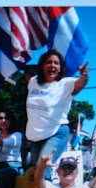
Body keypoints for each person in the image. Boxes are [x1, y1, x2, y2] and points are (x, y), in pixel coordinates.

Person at [25, 49, 89, 180]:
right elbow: (24, 71)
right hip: (35, 136)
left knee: (43, 170)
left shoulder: (65, 84)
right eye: (49, 62)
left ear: (60, 68)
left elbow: (80, 83)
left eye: (56, 63)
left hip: (56, 132)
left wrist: (84, 76)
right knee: (35, 172)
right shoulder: (33, 82)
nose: (52, 65)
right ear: (42, 66)